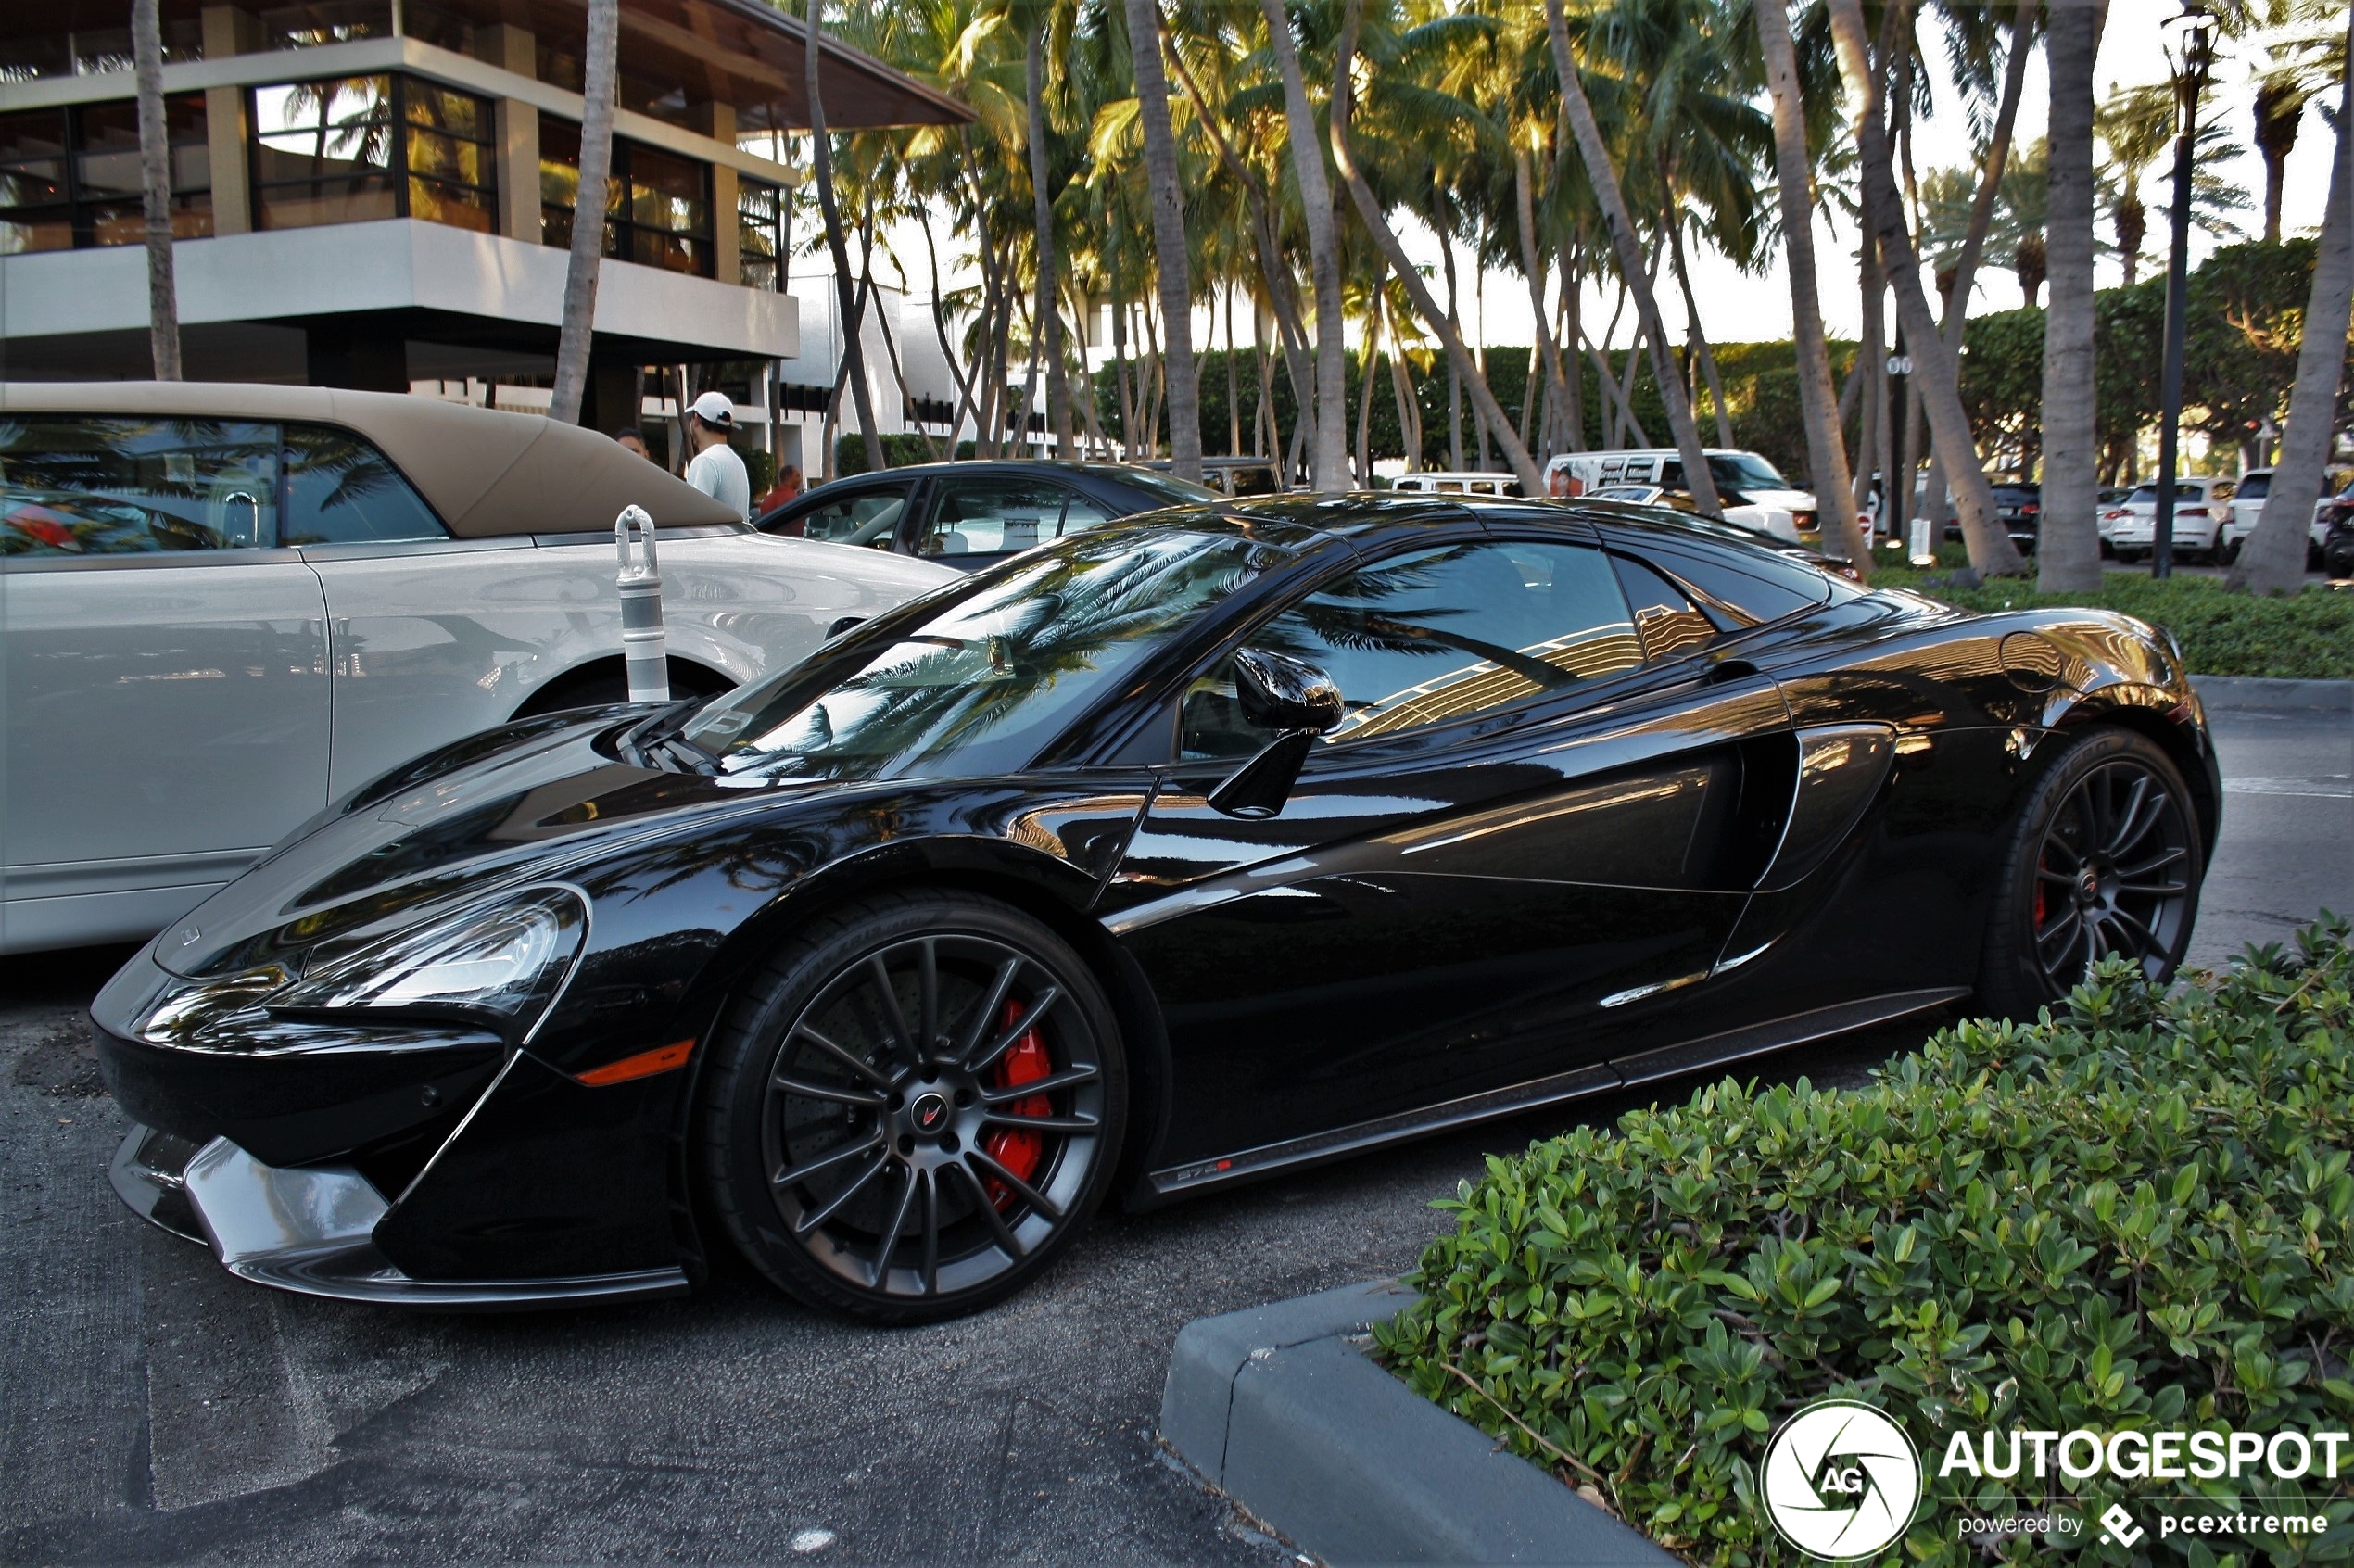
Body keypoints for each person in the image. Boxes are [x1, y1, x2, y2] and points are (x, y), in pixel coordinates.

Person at [681, 392, 752, 522]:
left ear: (696, 419)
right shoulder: (737, 461)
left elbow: (695, 519)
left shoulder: (705, 461)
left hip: (714, 542)